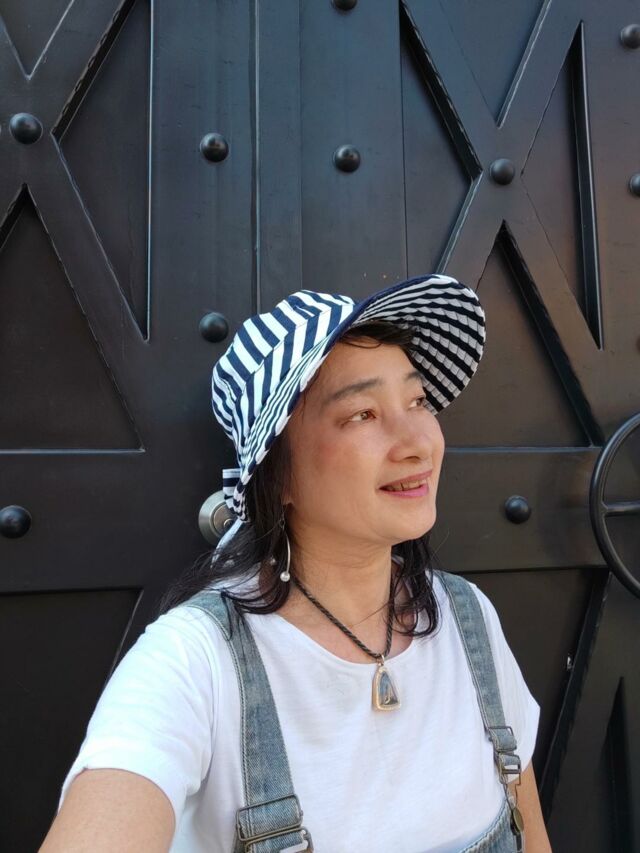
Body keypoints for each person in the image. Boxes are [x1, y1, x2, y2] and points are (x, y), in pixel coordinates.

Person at [41, 274, 552, 852]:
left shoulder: (467, 618)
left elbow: (530, 831)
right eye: (362, 413)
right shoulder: (194, 662)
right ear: (277, 473)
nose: (417, 442)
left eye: (417, 401)